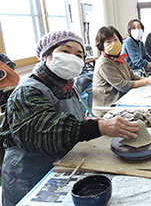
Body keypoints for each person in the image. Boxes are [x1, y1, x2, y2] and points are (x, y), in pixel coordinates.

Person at [0, 30, 139, 206]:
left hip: (63, 164)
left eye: (79, 55)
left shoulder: (66, 87)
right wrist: (100, 128)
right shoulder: (28, 92)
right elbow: (45, 131)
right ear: (46, 55)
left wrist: (98, 122)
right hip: (31, 178)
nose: (73, 58)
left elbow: (74, 119)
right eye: (65, 52)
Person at [93, 26, 151, 116]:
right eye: (108, 42)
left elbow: (132, 76)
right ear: (101, 46)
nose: (113, 43)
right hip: (109, 108)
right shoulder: (104, 64)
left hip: (123, 99)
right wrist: (147, 81)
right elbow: (123, 86)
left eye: (115, 40)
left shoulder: (119, 57)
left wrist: (150, 80)